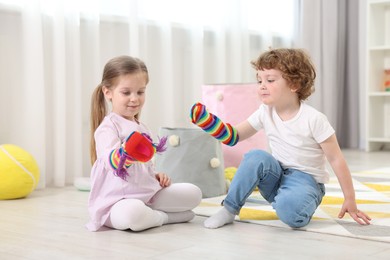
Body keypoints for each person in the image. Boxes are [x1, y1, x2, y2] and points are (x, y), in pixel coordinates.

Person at [191, 48, 371, 229]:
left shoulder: (314, 119)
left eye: (269, 80)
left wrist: (350, 199)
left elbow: (336, 159)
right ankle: (229, 210)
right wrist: (208, 122)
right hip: (276, 175)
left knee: (290, 214)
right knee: (255, 157)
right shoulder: (264, 112)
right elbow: (233, 136)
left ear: (294, 85)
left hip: (306, 181)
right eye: (259, 80)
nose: (262, 85)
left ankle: (291, 203)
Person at [87, 55, 202, 232]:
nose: (135, 98)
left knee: (193, 193)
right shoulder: (108, 128)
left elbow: (145, 165)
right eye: (126, 92)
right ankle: (164, 218)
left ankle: (149, 214)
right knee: (132, 214)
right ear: (108, 92)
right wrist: (127, 150)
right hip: (118, 202)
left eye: (140, 92)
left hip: (147, 195)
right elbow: (112, 162)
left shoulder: (141, 127)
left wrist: (155, 175)